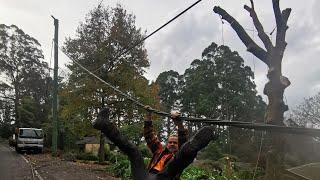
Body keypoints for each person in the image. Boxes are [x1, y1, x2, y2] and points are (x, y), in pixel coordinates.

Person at [144, 109, 188, 178]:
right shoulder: (159, 150)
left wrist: (179, 124)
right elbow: (149, 136)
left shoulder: (179, 156)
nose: (172, 144)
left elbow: (183, 142)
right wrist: (148, 116)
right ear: (167, 143)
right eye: (170, 142)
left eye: (175, 143)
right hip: (149, 176)